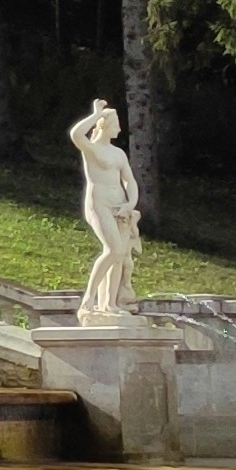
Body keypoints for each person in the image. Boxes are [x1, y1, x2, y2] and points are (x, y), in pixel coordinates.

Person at [70, 100, 141, 324]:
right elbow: (76, 134)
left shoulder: (118, 153)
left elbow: (129, 181)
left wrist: (130, 204)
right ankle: (89, 300)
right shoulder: (92, 149)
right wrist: (96, 114)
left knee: (119, 255)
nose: (119, 129)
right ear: (104, 125)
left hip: (119, 205)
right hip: (99, 203)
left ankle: (109, 304)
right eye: (116, 124)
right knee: (113, 249)